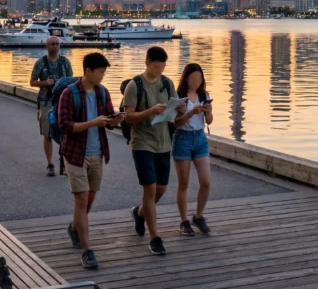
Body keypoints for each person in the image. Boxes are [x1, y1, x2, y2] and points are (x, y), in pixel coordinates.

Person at [56, 52, 121, 270]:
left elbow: (108, 121)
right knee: (81, 200)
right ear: (88, 71)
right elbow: (65, 126)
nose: (103, 75)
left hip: (97, 152)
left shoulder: (103, 92)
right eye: (101, 72)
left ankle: (75, 227)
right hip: (75, 153)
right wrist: (93, 122)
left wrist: (115, 120)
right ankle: (87, 251)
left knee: (90, 198)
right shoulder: (69, 93)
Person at [124, 46, 182, 256]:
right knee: (150, 188)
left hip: (164, 142)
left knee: (162, 189)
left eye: (163, 67)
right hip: (142, 142)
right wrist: (150, 111)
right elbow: (128, 116)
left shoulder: (167, 83)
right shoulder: (134, 85)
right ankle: (155, 237)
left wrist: (180, 109)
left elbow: (173, 108)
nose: (159, 71)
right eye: (156, 66)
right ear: (147, 62)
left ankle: (140, 213)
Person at [172, 63, 215, 236]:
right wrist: (190, 113)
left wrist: (208, 111)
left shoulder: (204, 95)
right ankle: (183, 221)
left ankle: (198, 215)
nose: (196, 82)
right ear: (186, 78)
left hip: (200, 138)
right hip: (183, 138)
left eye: (199, 79)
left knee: (206, 181)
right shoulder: (178, 97)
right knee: (183, 184)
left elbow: (209, 121)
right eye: (193, 79)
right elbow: (175, 123)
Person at [29, 36, 72, 177]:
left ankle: (65, 163)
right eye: (51, 44)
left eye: (57, 44)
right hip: (46, 101)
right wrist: (45, 83)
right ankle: (50, 164)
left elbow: (71, 82)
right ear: (46, 46)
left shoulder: (65, 62)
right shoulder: (40, 63)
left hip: (64, 102)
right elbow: (32, 82)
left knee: (65, 133)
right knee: (47, 133)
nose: (54, 46)